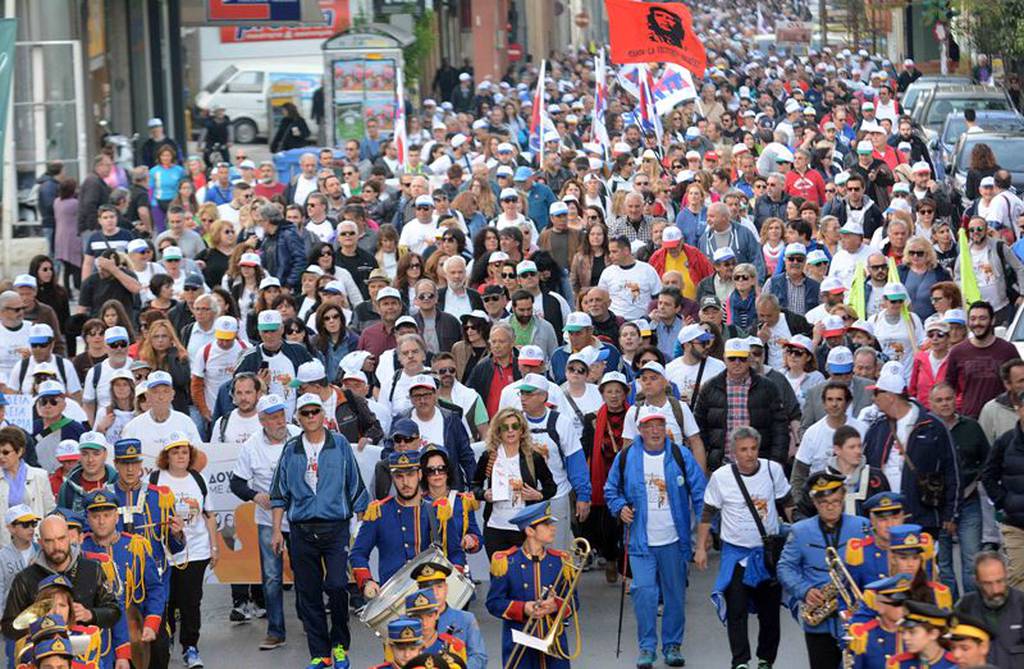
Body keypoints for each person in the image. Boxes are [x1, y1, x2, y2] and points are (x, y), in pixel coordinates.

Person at [270, 392, 369, 669]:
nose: (311, 417)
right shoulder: (291, 449)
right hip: (301, 529)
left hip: (335, 527)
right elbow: (279, 493)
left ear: (323, 415)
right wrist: (277, 530)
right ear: (298, 417)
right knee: (308, 592)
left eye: (315, 412)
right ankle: (319, 651)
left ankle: (339, 644)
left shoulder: (339, 445)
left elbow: (356, 486)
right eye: (305, 413)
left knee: (338, 586)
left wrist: (362, 527)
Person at [604, 405, 706, 668]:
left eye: (659, 425)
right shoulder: (627, 456)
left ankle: (672, 645)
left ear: (666, 428)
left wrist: (703, 538)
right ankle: (647, 647)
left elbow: (700, 493)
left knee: (674, 595)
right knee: (645, 594)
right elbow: (610, 489)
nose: (654, 430)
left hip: (674, 540)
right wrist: (620, 508)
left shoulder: (680, 455)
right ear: (640, 430)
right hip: (639, 541)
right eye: (648, 426)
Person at [695, 426, 792, 669]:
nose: (749, 454)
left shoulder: (773, 470)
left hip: (767, 554)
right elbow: (708, 513)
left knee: (769, 614)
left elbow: (788, 504)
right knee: (736, 609)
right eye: (743, 450)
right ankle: (740, 661)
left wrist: (799, 535)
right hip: (735, 555)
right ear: (733, 452)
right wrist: (700, 547)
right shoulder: (721, 477)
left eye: (753, 449)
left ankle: (765, 660)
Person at [778, 472, 870, 669]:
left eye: (835, 501)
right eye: (823, 502)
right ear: (815, 503)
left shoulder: (861, 526)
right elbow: (785, 567)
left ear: (844, 497)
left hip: (857, 617)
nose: (830, 507)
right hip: (820, 620)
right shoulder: (800, 530)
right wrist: (805, 590)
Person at [229, 394, 299, 650]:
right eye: (272, 417)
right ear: (262, 421)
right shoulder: (251, 446)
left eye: (281, 415)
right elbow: (236, 483)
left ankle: (309, 619)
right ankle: (276, 631)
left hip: (300, 517)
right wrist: (255, 495)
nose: (280, 422)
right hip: (269, 520)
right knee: (271, 577)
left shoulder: (299, 435)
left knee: (304, 572)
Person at [862, 371, 961, 537]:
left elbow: (952, 470)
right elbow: (866, 470)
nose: (873, 398)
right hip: (884, 517)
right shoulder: (877, 428)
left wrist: (951, 514)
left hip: (923, 518)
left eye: (876, 393)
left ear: (890, 397)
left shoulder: (933, 426)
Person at [78, 488, 167, 669]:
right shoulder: (80, 550)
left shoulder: (136, 546)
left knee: (160, 654)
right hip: (98, 629)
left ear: (116, 517)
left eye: (107, 515)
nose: (101, 521)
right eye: (95, 517)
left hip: (135, 626)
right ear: (88, 519)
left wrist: (151, 622)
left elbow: (155, 589)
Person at [1, 515, 121, 644]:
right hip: (43, 656)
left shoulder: (92, 569)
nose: (56, 546)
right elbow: (9, 626)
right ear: (40, 542)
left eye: (61, 539)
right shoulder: (25, 578)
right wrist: (37, 625)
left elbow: (114, 611)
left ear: (69, 538)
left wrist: (89, 614)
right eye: (49, 541)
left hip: (86, 656)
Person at [485, 501, 577, 669]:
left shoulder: (560, 561)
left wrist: (555, 605)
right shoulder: (507, 562)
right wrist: (523, 608)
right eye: (547, 524)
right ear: (529, 531)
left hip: (554, 644)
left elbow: (573, 602)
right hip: (520, 647)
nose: (553, 528)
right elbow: (493, 603)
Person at [693, 338, 790, 471]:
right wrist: (707, 461)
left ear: (749, 359)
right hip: (721, 466)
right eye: (732, 358)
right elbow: (699, 427)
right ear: (724, 358)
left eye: (742, 358)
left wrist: (776, 462)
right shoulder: (710, 387)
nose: (737, 363)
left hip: (760, 465)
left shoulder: (768, 387)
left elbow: (780, 427)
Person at [945, 301, 1021, 418]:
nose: (977, 323)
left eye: (982, 318)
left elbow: (1020, 383)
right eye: (973, 319)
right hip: (970, 419)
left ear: (993, 320)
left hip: (1002, 417)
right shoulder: (957, 352)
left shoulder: (1007, 349)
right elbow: (949, 387)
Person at [409, 560, 486, 669]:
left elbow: (479, 657)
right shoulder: (407, 622)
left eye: (439, 587)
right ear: (419, 591)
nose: (435, 592)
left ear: (446, 588)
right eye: (429, 588)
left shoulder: (465, 619)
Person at [982, 390, 1024, 588]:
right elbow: (988, 475)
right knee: (1018, 579)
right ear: (1019, 409)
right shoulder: (1005, 442)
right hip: (1015, 525)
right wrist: (1004, 501)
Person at [955, 551, 1024, 668]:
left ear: (1007, 575)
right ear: (976, 581)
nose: (996, 590)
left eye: (1000, 581)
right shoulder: (965, 607)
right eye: (987, 584)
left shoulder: (1022, 604)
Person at [846, 574, 912, 669]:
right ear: (880, 606)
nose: (903, 608)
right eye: (897, 603)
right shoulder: (864, 636)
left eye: (907, 603)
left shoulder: (914, 633)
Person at [598, 236, 663, 321]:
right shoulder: (607, 273)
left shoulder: (647, 270)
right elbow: (601, 299)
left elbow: (658, 297)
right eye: (610, 252)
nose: (610, 255)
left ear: (626, 251)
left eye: (614, 252)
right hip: (617, 323)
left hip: (644, 322)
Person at [889, 601, 957, 669]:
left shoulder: (955, 663)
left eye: (912, 632)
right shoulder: (899, 664)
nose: (905, 637)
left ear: (933, 634)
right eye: (903, 632)